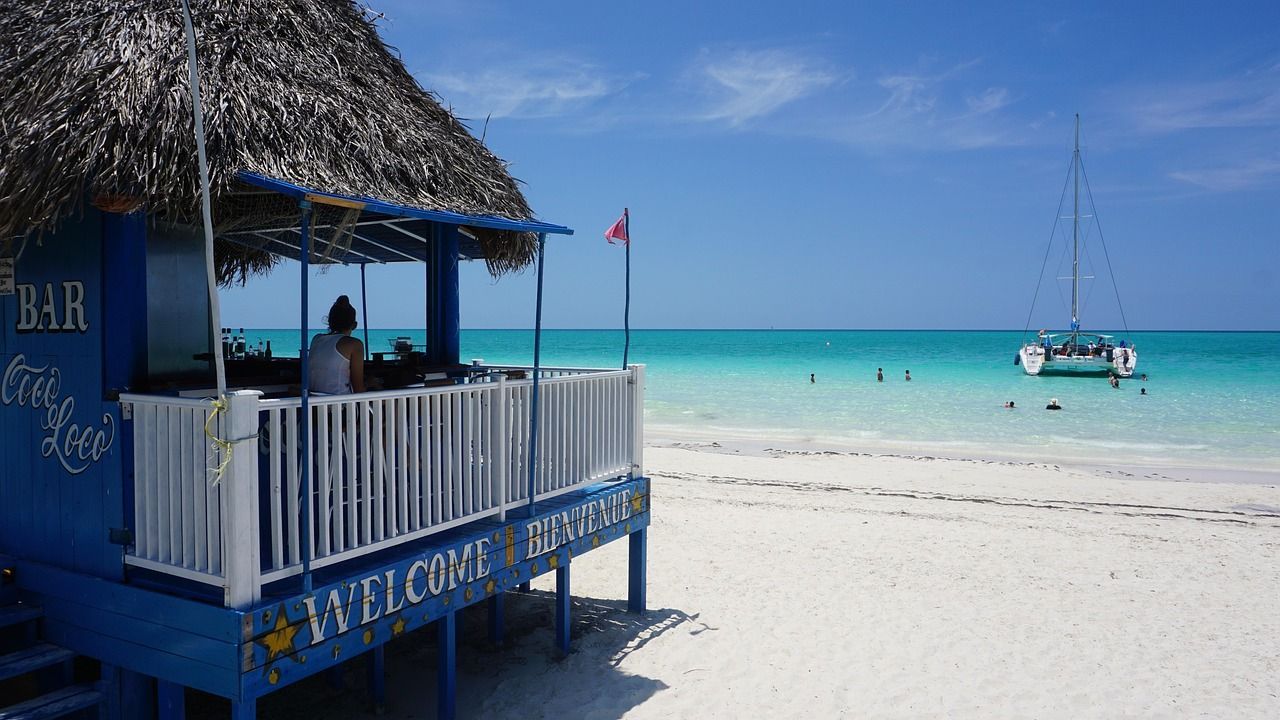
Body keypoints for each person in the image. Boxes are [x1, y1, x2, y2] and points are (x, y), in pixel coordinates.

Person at [308, 295, 366, 394]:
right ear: (354, 325)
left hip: (315, 404)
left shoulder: (316, 339)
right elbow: (358, 388)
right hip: (340, 406)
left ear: (329, 322)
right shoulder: (354, 345)